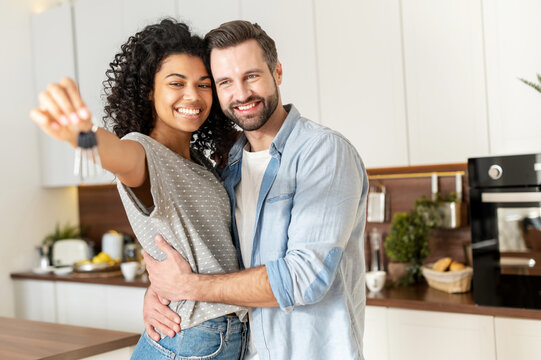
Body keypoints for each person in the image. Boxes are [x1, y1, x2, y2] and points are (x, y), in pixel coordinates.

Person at [142, 20, 368, 360]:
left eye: (251, 76)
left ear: (277, 72)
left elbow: (304, 277)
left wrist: (188, 287)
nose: (241, 94)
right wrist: (160, 292)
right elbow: (213, 258)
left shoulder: (323, 152)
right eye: (225, 83)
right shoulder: (226, 167)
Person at [30, 19, 248, 360]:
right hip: (190, 337)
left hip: (211, 333)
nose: (193, 95)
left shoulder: (200, 161)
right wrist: (82, 133)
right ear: (149, 90)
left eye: (204, 85)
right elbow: (117, 154)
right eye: (176, 83)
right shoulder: (143, 151)